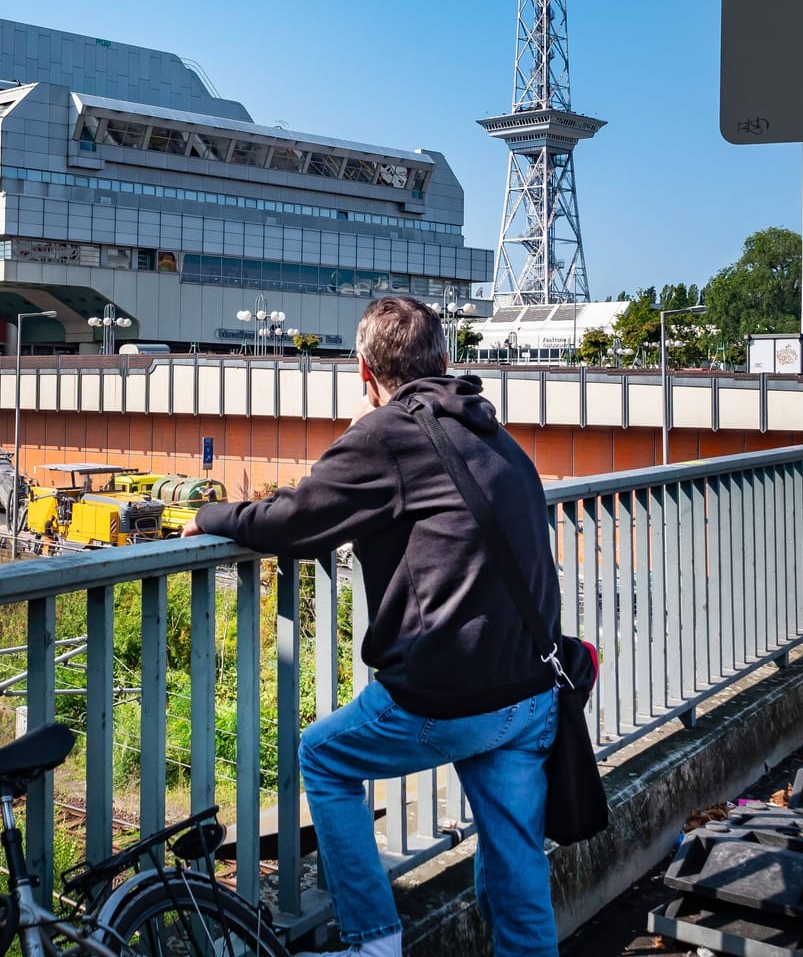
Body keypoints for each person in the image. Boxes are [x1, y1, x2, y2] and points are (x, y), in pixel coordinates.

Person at [183, 296, 563, 957]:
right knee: (517, 868)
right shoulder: (487, 427)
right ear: (444, 361)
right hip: (530, 689)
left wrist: (213, 516)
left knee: (324, 755)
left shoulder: (388, 434)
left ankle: (374, 940)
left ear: (364, 370)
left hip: (450, 695)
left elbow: (294, 522)